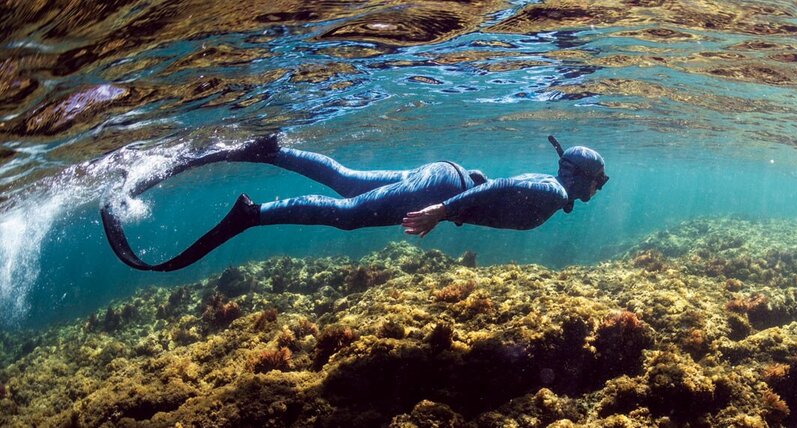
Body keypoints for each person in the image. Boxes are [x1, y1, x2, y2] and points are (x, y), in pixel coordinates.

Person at [101, 135, 609, 272]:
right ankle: (252, 214)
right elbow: (499, 189)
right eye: (599, 182)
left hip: (444, 177)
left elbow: (500, 186)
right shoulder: (553, 192)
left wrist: (454, 199)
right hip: (440, 191)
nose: (598, 190)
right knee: (347, 216)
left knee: (345, 182)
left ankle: (271, 151)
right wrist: (444, 211)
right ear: (582, 178)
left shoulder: (552, 189)